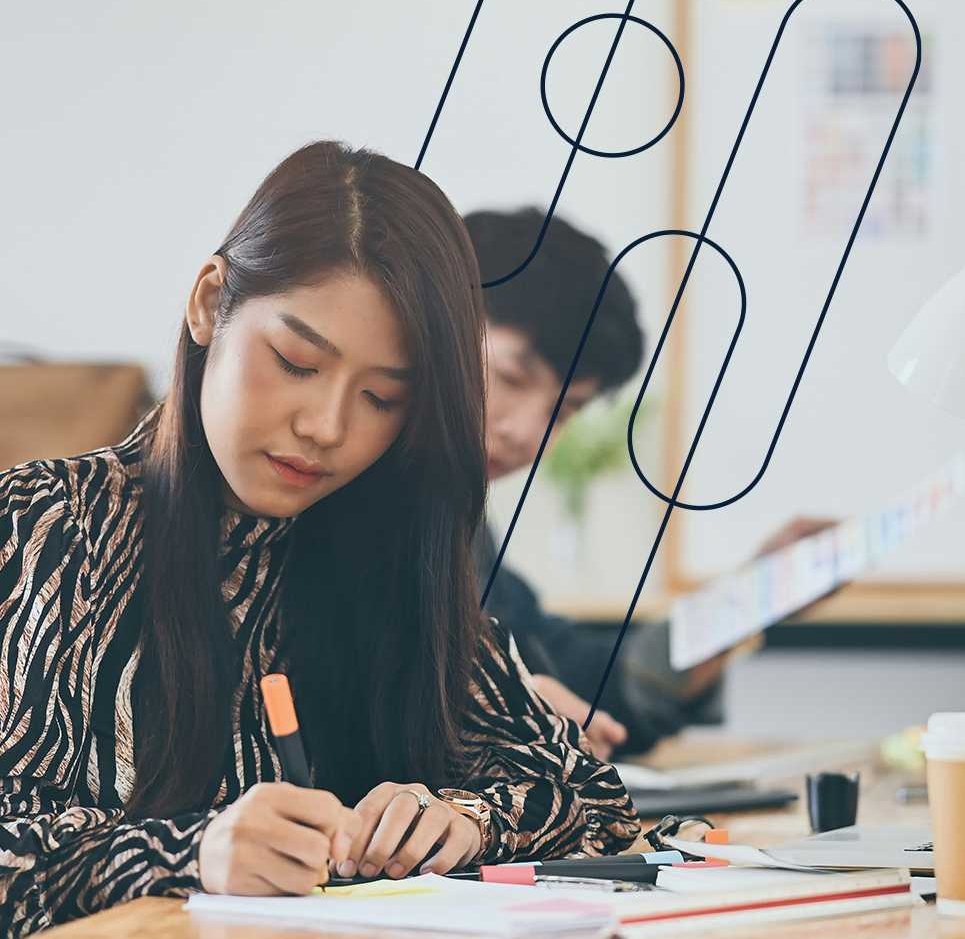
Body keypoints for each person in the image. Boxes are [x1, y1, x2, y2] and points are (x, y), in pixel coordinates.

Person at [0, 144, 636, 935]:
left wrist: (464, 818)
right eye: (296, 362)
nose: (327, 428)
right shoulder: (48, 528)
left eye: (380, 397)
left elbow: (593, 799)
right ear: (208, 303)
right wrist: (194, 853)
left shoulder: (385, 545)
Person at [463, 208, 834, 759]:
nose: (531, 434)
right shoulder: (335, 492)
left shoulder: (460, 519)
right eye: (513, 378)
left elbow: (580, 679)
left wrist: (754, 597)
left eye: (565, 412)